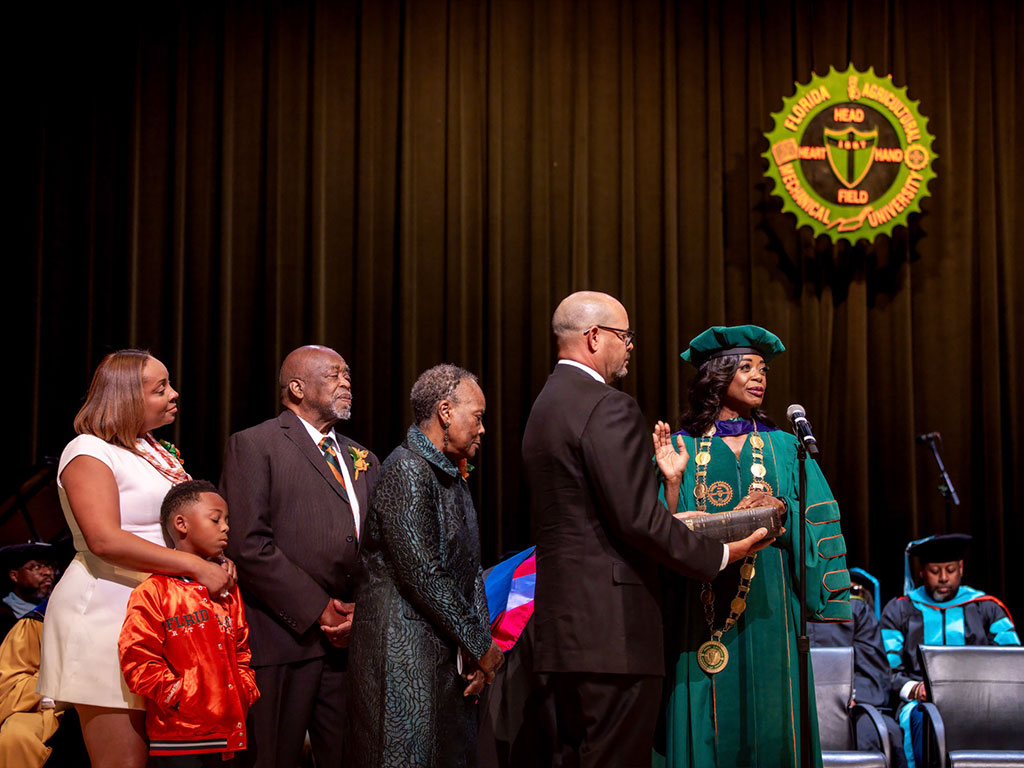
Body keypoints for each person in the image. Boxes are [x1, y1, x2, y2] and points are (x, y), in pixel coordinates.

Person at [521, 293, 771, 768]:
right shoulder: (607, 406)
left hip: (563, 633)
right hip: (612, 636)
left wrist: (670, 486)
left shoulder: (545, 406)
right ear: (594, 337)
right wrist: (721, 554)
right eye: (625, 335)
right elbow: (638, 519)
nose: (631, 346)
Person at [656, 324, 851, 768]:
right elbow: (658, 532)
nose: (759, 377)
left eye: (762, 369)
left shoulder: (786, 447)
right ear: (717, 376)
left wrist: (780, 508)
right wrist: (671, 483)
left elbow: (817, 520)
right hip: (699, 609)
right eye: (746, 367)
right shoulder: (681, 448)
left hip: (770, 607)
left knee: (773, 723)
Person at [38, 349, 236, 768]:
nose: (174, 394)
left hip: (160, 614)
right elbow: (104, 539)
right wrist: (195, 566)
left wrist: (213, 558)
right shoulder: (88, 450)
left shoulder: (153, 453)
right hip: (107, 613)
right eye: (160, 388)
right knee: (123, 762)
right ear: (126, 397)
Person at [220, 344, 379, 768]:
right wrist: (319, 609)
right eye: (333, 375)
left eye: (347, 374)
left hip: (348, 643)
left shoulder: (363, 457)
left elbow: (378, 548)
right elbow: (248, 545)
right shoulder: (255, 444)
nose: (346, 382)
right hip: (282, 638)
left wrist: (360, 612)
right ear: (296, 387)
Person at [347, 364, 504, 768]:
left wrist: (477, 647)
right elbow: (424, 574)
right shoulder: (406, 468)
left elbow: (470, 569)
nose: (482, 429)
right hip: (402, 660)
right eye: (478, 417)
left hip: (440, 656)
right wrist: (480, 645)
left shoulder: (451, 474)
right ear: (445, 412)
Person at [119, 480, 259, 766]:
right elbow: (137, 659)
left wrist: (245, 690)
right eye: (215, 519)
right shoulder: (154, 591)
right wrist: (182, 697)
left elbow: (241, 650)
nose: (226, 527)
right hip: (178, 739)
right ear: (181, 524)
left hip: (231, 733)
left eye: (227, 520)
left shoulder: (228, 588)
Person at [880, 533, 1020, 768]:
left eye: (951, 570)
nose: (943, 578)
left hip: (982, 699)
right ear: (921, 571)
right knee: (924, 718)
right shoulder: (900, 610)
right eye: (935, 571)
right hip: (921, 702)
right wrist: (915, 689)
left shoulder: (987, 608)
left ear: (961, 569)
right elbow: (886, 667)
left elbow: (1011, 662)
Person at [809, 571, 905, 767]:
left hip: (849, 704)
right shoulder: (781, 611)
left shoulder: (854, 610)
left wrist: (852, 696)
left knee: (879, 730)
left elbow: (872, 671)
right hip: (793, 704)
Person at [1, 542, 57, 640]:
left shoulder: (59, 604)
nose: (48, 572)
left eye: (49, 566)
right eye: (37, 567)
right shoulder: (5, 616)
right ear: (14, 576)